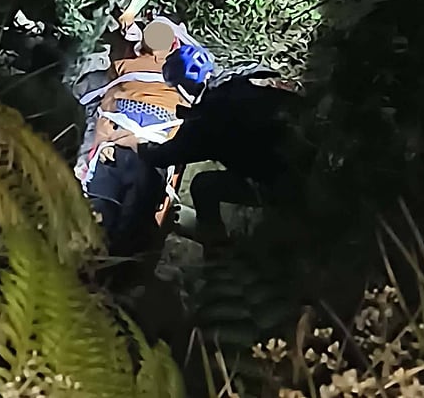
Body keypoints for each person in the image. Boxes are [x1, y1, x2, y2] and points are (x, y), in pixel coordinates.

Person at [120, 47, 307, 244]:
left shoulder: (207, 122)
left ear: (183, 88)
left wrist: (135, 143)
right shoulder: (245, 72)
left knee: (203, 186)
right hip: (307, 139)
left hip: (284, 179)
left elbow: (162, 156)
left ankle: (216, 246)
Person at [77, 22, 202, 255]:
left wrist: (104, 142)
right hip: (154, 147)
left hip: (118, 142)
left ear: (141, 45)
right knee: (134, 219)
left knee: (100, 206)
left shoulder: (123, 66)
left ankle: (96, 251)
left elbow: (105, 108)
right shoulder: (186, 80)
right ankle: (122, 255)